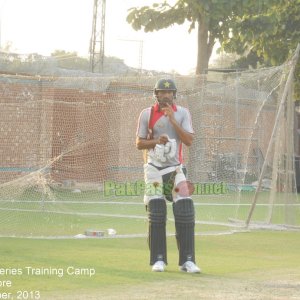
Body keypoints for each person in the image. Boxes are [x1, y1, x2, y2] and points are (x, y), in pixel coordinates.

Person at [136, 78, 201, 273]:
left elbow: (189, 140)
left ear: (174, 94)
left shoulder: (182, 113)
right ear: (155, 94)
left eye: (169, 92)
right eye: (162, 93)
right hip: (154, 169)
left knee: (185, 207)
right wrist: (156, 141)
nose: (166, 95)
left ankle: (187, 261)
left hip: (175, 169)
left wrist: (172, 119)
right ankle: (159, 260)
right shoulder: (146, 114)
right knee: (156, 209)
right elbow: (139, 143)